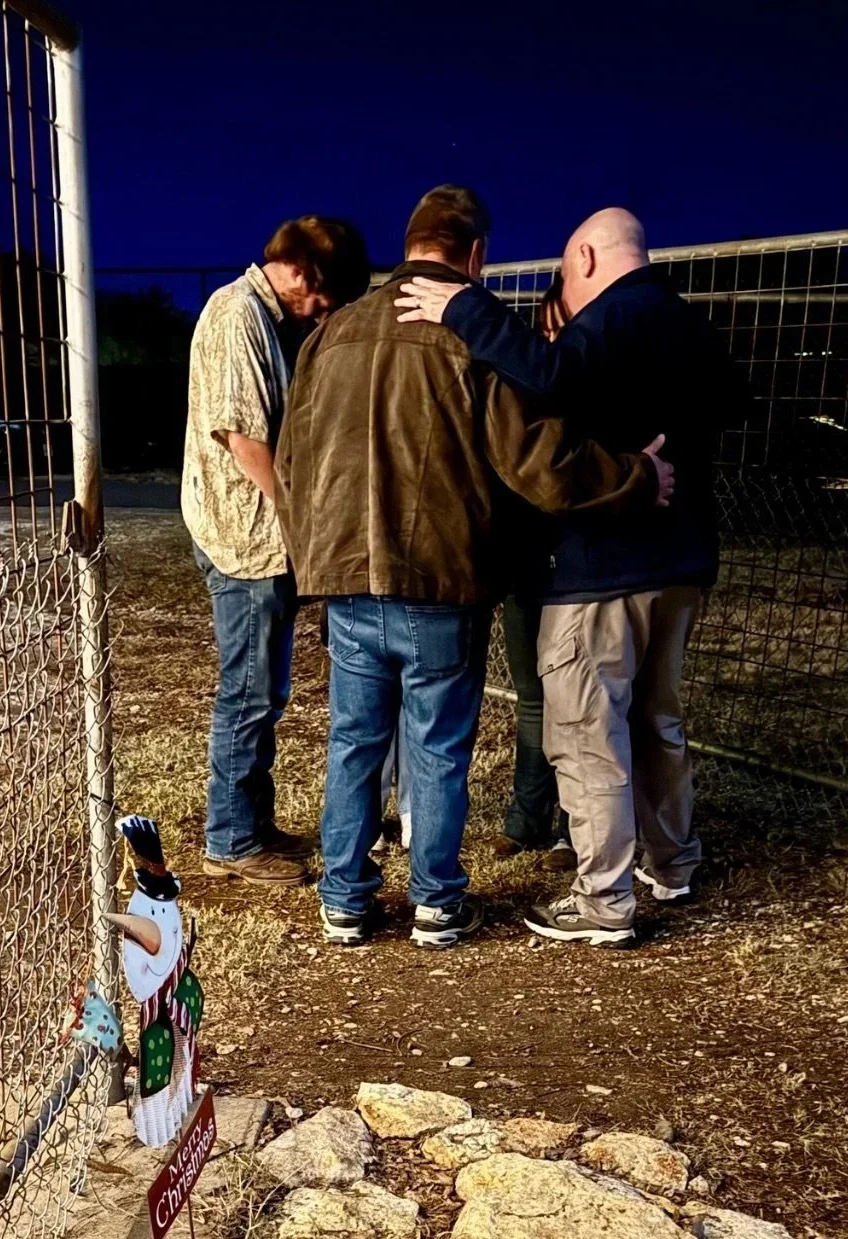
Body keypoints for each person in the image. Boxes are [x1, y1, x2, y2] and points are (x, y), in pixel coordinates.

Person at [276, 186, 673, 949]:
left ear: (409, 243)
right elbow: (535, 460)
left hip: (345, 578)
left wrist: (313, 553)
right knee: (438, 744)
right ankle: (435, 901)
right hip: (440, 578)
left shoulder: (332, 333)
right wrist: (633, 478)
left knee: (354, 740)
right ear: (478, 255)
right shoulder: (474, 333)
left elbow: (293, 458)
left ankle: (346, 899)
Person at [396, 207, 744, 946]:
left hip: (600, 571)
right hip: (679, 566)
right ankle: (672, 863)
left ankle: (603, 900)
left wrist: (463, 306)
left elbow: (552, 375)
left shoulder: (612, 323)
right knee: (658, 720)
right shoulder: (687, 324)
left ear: (586, 256)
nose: (565, 288)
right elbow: (730, 400)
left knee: (587, 736)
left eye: (563, 271)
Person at [183, 217, 371, 888]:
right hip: (247, 541)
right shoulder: (238, 315)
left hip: (259, 540)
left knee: (264, 689)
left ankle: (250, 825)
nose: (325, 309)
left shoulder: (261, 317)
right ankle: (230, 839)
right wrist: (301, 521)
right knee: (248, 692)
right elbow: (242, 437)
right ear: (300, 272)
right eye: (325, 295)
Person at [492, 276, 574, 869]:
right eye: (544, 330)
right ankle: (527, 821)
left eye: (561, 328)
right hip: (526, 567)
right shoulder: (518, 392)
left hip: (578, 571)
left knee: (577, 702)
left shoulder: (589, 391)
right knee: (533, 699)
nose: (551, 341)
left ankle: (574, 826)